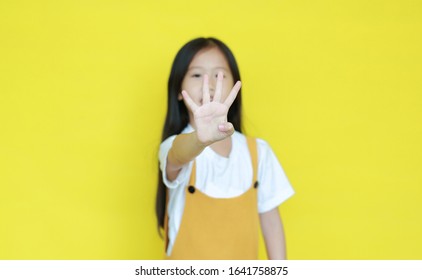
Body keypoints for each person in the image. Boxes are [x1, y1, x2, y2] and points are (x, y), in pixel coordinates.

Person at [156, 37, 294, 260]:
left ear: (235, 87)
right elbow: (177, 155)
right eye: (196, 75)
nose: (208, 84)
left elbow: (270, 221)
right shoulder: (175, 146)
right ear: (179, 90)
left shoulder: (259, 152)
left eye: (219, 75)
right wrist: (200, 139)